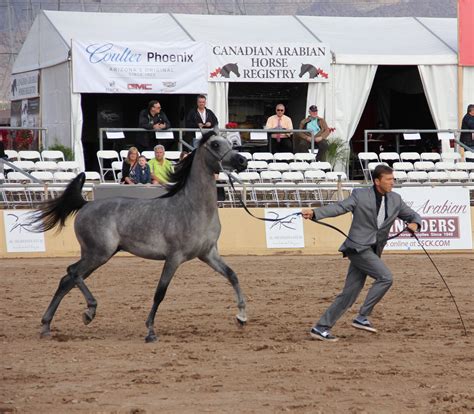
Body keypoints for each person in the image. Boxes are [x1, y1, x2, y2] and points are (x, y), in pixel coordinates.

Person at [302, 165, 422, 342]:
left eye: (393, 179)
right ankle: (362, 316)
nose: (392, 182)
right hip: (357, 248)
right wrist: (315, 213)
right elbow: (340, 207)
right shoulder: (359, 194)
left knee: (349, 293)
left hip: (373, 250)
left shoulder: (396, 199)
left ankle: (320, 328)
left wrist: (415, 224)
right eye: (388, 179)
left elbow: (412, 215)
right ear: (377, 181)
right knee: (386, 277)